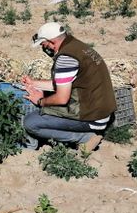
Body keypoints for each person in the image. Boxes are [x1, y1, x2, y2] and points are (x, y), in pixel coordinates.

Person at [22, 22, 117, 151]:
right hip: (102, 110)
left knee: (30, 122)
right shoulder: (78, 47)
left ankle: (85, 138)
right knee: (48, 102)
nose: (44, 49)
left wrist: (40, 101)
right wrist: (34, 83)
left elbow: (62, 98)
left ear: (52, 42)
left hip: (92, 116)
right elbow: (64, 83)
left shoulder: (66, 59)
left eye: (44, 45)